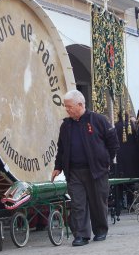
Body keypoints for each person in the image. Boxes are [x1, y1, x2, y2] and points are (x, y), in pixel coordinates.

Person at [51, 90, 119, 246]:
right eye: (65, 106)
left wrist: (106, 160)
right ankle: (81, 235)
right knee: (77, 204)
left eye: (69, 106)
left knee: (98, 203)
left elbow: (113, 142)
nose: (66, 109)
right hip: (74, 172)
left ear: (80, 105)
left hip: (96, 170)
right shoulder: (66, 126)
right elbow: (61, 149)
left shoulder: (98, 120)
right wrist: (58, 166)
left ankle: (100, 231)